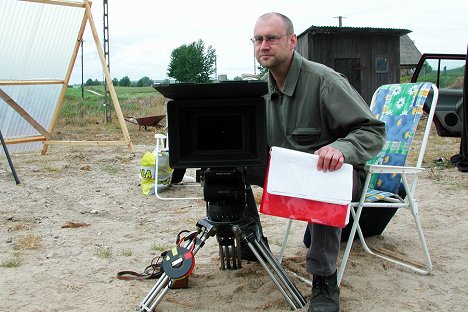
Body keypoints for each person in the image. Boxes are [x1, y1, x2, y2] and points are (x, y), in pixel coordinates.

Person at [245, 12, 386, 312]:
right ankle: (251, 243)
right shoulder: (260, 90)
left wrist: (342, 148)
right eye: (258, 39)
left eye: (271, 38)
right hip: (291, 173)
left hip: (340, 176)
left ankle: (324, 278)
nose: (263, 45)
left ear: (292, 41)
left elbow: (373, 131)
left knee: (324, 175)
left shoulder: (325, 81)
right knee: (231, 166)